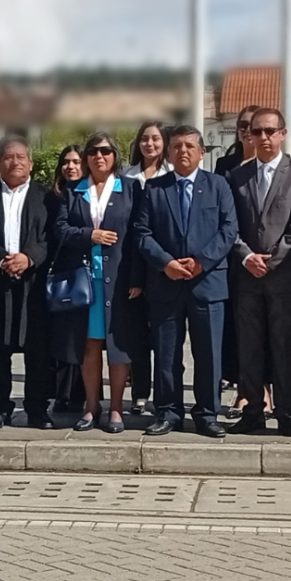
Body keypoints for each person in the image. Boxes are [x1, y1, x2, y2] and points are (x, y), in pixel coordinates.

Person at [133, 125, 238, 438]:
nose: (183, 151)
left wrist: (201, 261)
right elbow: (142, 233)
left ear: (202, 152)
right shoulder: (155, 188)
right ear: (168, 152)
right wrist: (166, 263)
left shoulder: (218, 185)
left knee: (208, 355)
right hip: (165, 283)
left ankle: (207, 414)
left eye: (189, 146)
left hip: (207, 282)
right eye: (176, 146)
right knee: (166, 355)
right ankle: (168, 412)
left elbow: (229, 229)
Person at [225, 109, 291, 437]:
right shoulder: (236, 176)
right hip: (246, 276)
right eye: (257, 131)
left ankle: (286, 412)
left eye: (270, 131)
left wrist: (272, 260)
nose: (263, 137)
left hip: (284, 276)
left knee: (282, 345)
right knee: (249, 346)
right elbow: (228, 224)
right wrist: (247, 256)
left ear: (282, 134)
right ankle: (252, 411)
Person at [50, 132, 144, 433]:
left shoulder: (130, 188)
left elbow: (139, 234)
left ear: (115, 156)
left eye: (105, 151)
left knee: (118, 346)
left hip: (119, 280)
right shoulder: (73, 190)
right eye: (92, 152)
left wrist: (137, 277)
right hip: (85, 281)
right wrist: (89, 235)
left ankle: (116, 408)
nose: (99, 156)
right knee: (89, 344)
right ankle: (92, 406)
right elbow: (60, 229)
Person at [0, 135, 53, 429]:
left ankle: (37, 408)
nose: (15, 162)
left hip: (34, 282)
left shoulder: (47, 197)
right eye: (8, 157)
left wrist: (28, 258)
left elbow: (51, 236)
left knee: (37, 347)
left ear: (30, 163)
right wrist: (2, 259)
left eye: (21, 157)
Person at [121, 120, 172, 416]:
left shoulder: (171, 174)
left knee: (165, 339)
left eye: (155, 139)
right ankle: (140, 393)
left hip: (165, 265)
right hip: (133, 262)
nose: (149, 144)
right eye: (144, 138)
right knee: (138, 334)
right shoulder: (126, 176)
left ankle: (167, 396)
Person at [214, 104, 262, 412]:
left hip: (265, 257)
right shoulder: (225, 165)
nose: (247, 131)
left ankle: (266, 391)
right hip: (231, 255)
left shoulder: (278, 165)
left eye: (254, 126)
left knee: (265, 330)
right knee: (236, 330)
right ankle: (243, 389)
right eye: (242, 125)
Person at [45, 145, 86, 414]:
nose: (70, 167)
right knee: (61, 336)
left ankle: (80, 394)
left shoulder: (89, 193)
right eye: (66, 162)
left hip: (83, 270)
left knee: (82, 338)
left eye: (76, 162)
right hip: (60, 269)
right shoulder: (54, 195)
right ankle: (61, 394)